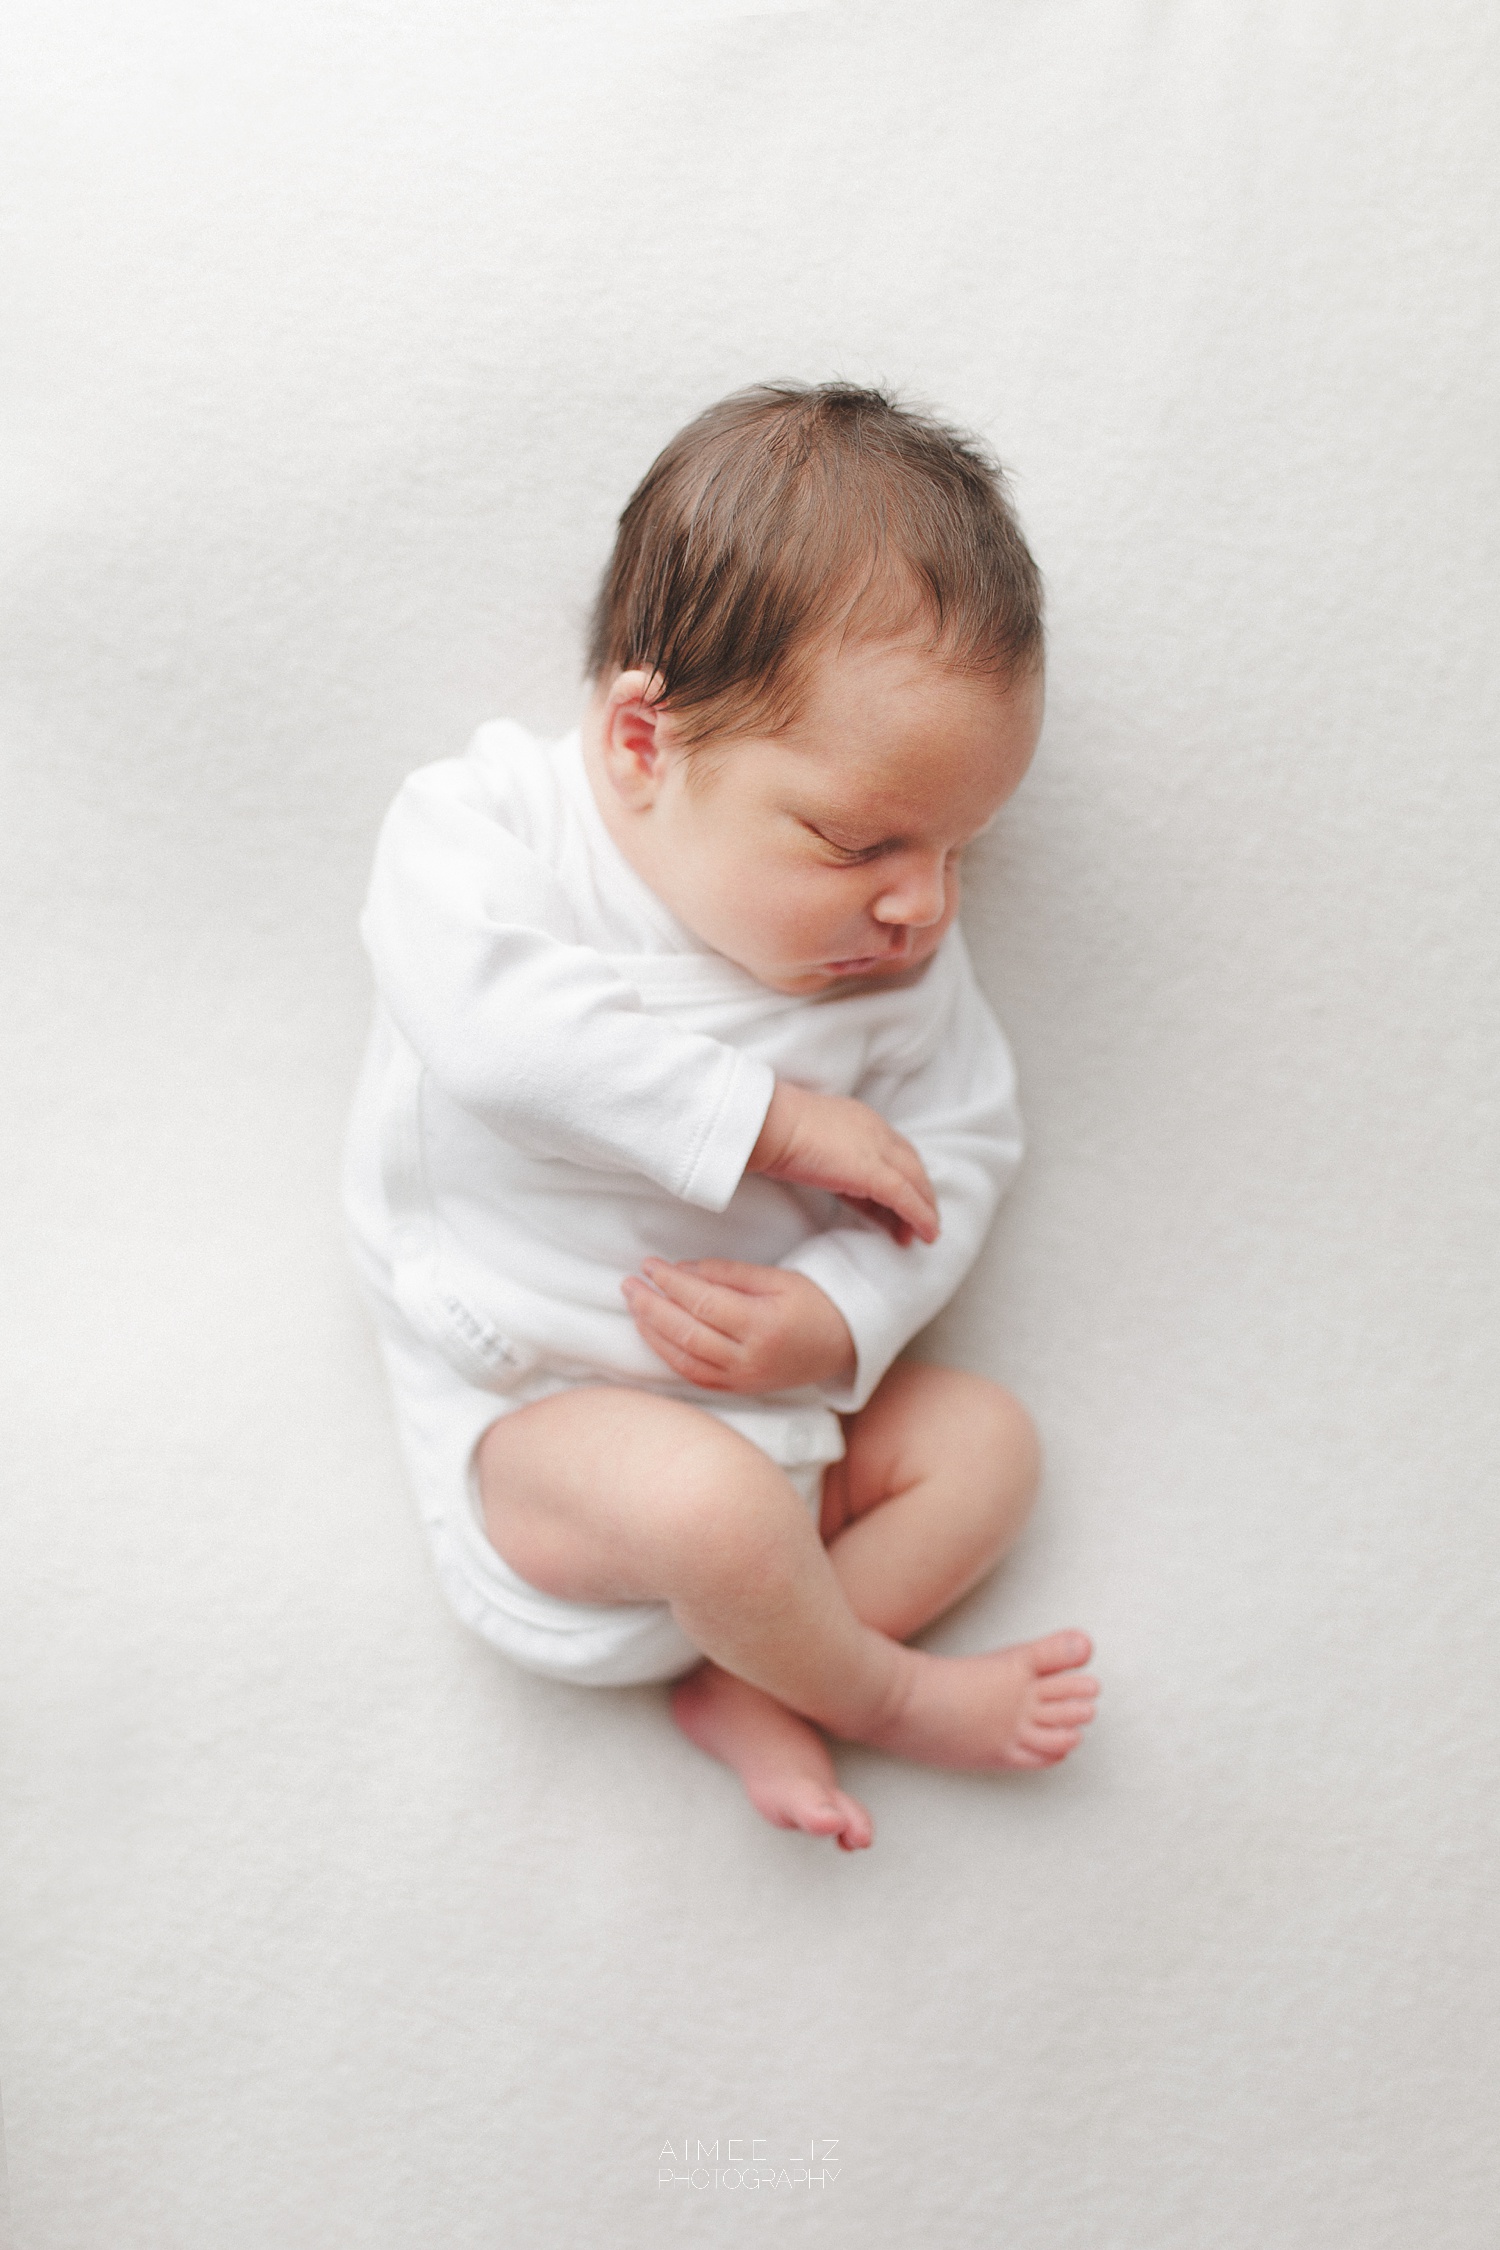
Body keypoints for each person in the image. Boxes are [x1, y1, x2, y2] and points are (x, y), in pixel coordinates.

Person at [343, 381, 1099, 1851]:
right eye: (862, 839)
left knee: (991, 1448)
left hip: (782, 1418)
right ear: (642, 741)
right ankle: (874, 1689)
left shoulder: (898, 958)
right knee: (707, 1511)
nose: (923, 901)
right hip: (540, 1422)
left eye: (957, 848)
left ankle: (767, 1677)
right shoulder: (486, 835)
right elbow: (493, 1037)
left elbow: (961, 1150)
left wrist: (839, 1321)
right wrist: (778, 1124)